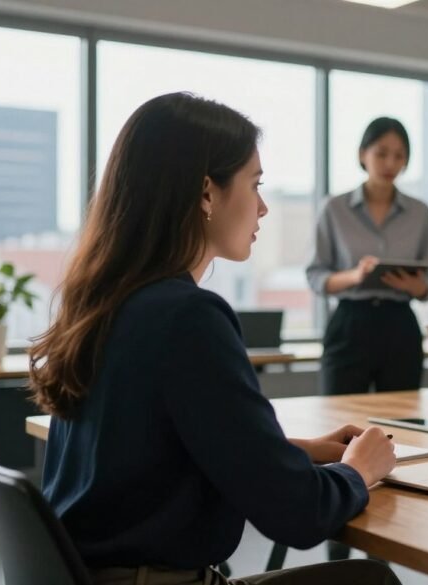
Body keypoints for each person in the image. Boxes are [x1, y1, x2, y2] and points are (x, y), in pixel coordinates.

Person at [28, 92, 400, 584]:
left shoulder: (106, 303)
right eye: (255, 184)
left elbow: (155, 445)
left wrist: (295, 451)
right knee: (368, 580)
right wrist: (358, 470)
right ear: (207, 193)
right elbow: (297, 514)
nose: (264, 207)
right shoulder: (188, 317)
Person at [306, 117, 428, 396]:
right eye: (381, 153)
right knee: (338, 417)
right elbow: (316, 276)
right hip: (349, 323)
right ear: (362, 154)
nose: (390, 163)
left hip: (400, 325)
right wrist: (356, 275)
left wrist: (416, 286)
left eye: (399, 155)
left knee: (403, 418)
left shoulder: (420, 213)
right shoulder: (334, 208)